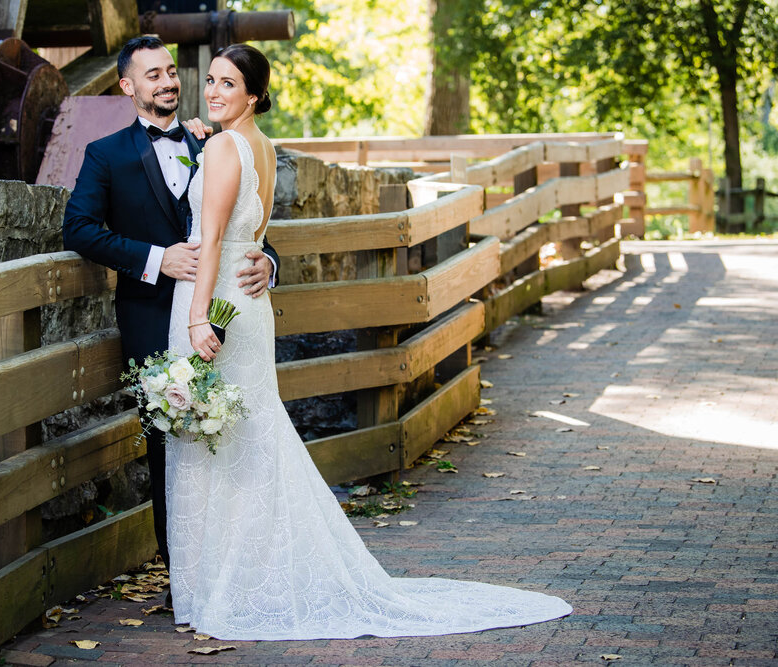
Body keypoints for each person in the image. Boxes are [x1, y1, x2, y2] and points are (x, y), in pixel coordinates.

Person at [165, 43, 572, 640]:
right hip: (249, 302)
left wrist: (200, 315)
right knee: (244, 434)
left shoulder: (226, 146)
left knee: (220, 438)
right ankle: (247, 571)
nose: (215, 92)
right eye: (212, 82)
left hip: (219, 303)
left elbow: (215, 236)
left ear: (253, 94)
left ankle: (228, 583)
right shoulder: (259, 146)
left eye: (229, 84)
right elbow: (258, 231)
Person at [61, 36, 281, 579]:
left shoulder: (213, 141)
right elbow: (79, 229)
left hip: (216, 313)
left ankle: (236, 564)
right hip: (150, 314)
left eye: (171, 72)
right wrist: (158, 259)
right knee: (168, 444)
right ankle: (180, 571)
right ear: (128, 87)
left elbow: (241, 225)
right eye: (152, 75)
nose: (168, 82)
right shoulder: (105, 154)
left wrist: (269, 263)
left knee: (231, 432)